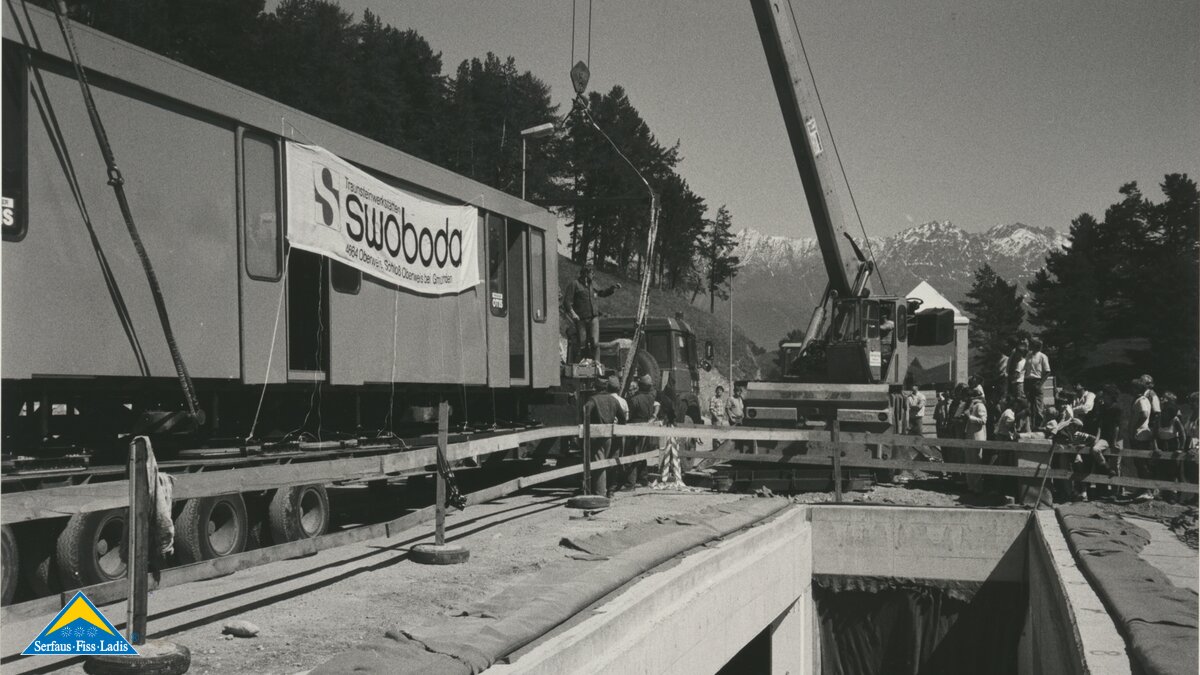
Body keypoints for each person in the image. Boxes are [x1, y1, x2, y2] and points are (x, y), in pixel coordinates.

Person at [561, 265, 621, 363]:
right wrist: (573, 314)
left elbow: (602, 293)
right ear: (586, 273)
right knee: (582, 343)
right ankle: (582, 364)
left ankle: (597, 364)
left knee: (595, 343)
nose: (593, 275)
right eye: (592, 273)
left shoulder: (593, 284)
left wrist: (613, 288)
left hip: (593, 318)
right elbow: (567, 302)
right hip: (581, 320)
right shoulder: (574, 284)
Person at [584, 376, 628, 497]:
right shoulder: (613, 400)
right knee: (606, 462)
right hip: (609, 436)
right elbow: (623, 418)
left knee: (599, 463)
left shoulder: (593, 399)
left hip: (596, 436)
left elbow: (585, 411)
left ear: (595, 387)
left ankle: (600, 493)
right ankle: (608, 490)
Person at [1124, 378, 1157, 501]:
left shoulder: (1142, 400)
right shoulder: (1141, 399)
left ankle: (1147, 490)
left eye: (1133, 388)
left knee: (1142, 463)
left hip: (1140, 435)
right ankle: (1143, 488)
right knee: (1139, 463)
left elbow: (1143, 414)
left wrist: (1135, 428)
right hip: (1138, 434)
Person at [624, 374, 659, 489]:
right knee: (642, 454)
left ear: (640, 385)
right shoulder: (650, 398)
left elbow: (629, 416)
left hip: (635, 428)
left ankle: (630, 483)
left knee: (632, 454)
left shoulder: (634, 399)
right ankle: (643, 479)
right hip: (645, 428)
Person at [962, 385, 988, 492]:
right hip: (970, 436)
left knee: (976, 462)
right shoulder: (971, 406)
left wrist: (970, 417)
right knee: (969, 461)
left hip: (977, 437)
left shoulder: (980, 406)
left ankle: (977, 487)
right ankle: (970, 486)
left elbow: (983, 421)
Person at [1024, 338, 1051, 430]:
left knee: (1038, 407)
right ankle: (1028, 427)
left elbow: (1047, 371)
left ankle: (1040, 427)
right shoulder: (1028, 355)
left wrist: (1040, 384)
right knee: (1028, 406)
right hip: (1027, 381)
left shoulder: (1042, 356)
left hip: (1037, 381)